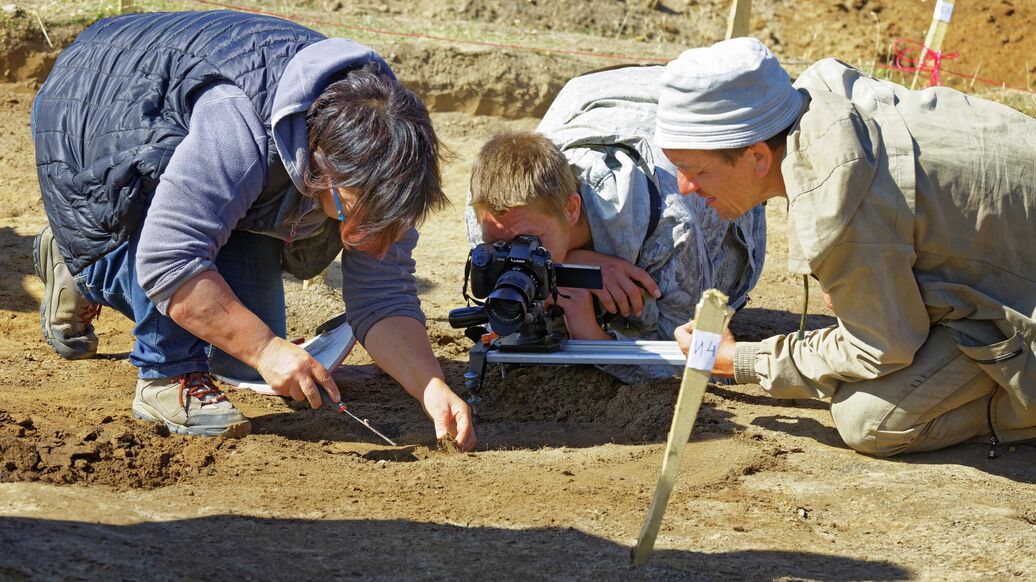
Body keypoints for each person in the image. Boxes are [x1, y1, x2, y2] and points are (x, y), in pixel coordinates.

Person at [31, 10, 475, 449]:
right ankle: (162, 367)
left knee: (237, 355)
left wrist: (430, 386)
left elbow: (383, 296)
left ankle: (83, 263)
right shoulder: (238, 126)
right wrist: (265, 350)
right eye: (350, 210)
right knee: (204, 305)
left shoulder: (394, 156)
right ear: (322, 166)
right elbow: (170, 259)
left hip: (206, 132)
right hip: (96, 113)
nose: (364, 239)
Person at [658, 37, 1036, 457]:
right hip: (1011, 254)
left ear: (758, 157)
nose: (685, 187)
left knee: (870, 420)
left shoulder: (843, 200)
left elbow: (880, 349)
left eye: (696, 170)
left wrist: (739, 360)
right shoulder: (823, 107)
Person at [466, 66, 766, 383]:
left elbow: (698, 361)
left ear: (570, 210)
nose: (516, 255)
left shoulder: (671, 231)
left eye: (531, 241)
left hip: (699, 131)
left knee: (646, 315)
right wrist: (570, 262)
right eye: (500, 244)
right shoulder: (495, 219)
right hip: (595, 97)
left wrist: (591, 336)